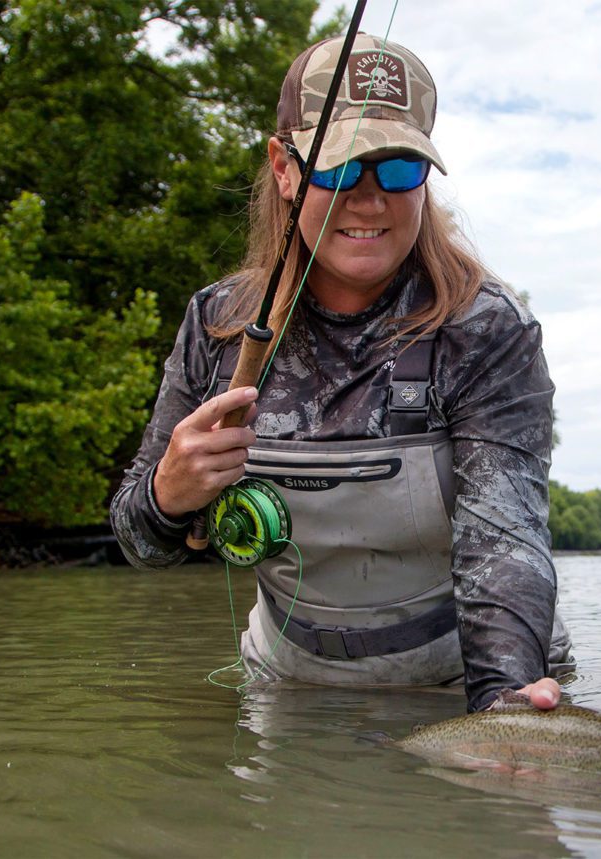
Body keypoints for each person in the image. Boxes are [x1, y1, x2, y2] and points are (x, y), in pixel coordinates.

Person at [110, 32, 573, 713]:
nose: (369, 199)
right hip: (289, 685)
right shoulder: (215, 324)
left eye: (397, 170)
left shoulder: (488, 330)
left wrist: (505, 704)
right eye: (337, 170)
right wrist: (166, 494)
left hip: (466, 681)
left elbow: (504, 551)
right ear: (284, 167)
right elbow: (138, 543)